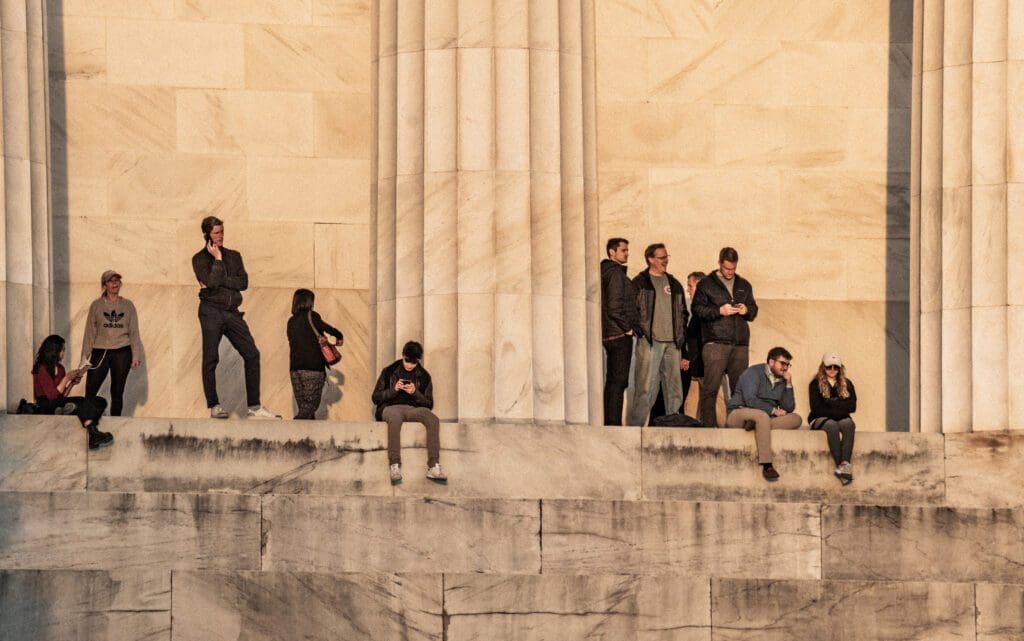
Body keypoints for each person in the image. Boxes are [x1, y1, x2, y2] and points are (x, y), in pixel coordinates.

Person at [191, 215, 279, 419]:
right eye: (216, 232)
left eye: (222, 231)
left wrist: (222, 277)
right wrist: (218, 262)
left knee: (252, 353)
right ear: (207, 234)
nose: (220, 236)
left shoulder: (234, 255)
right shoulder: (199, 259)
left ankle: (254, 407)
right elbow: (211, 283)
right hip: (210, 311)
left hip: (232, 312)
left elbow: (244, 282)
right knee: (211, 358)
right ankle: (214, 405)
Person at [693, 247, 758, 427]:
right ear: (719, 263)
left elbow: (754, 310)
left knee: (741, 388)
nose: (730, 272)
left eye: (733, 268)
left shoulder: (744, 284)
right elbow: (697, 309)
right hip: (715, 343)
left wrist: (747, 310)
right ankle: (709, 427)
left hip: (740, 344)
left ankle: (739, 425)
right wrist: (719, 311)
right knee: (711, 389)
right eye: (727, 268)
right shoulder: (706, 284)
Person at [626, 243, 688, 426]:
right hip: (650, 343)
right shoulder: (639, 282)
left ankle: (673, 426)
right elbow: (631, 310)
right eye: (661, 257)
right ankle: (635, 429)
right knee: (645, 388)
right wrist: (641, 331)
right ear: (651, 259)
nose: (665, 260)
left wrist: (680, 338)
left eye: (667, 256)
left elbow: (684, 312)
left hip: (672, 344)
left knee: (674, 390)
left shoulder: (674, 284)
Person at [371, 341, 447, 485]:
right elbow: (375, 398)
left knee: (433, 419)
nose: (409, 365)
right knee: (394, 417)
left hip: (412, 409)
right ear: (403, 356)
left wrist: (415, 393)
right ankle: (394, 465)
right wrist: (393, 390)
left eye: (413, 363)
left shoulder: (424, 376)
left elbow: (429, 404)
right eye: (407, 361)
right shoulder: (389, 371)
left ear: (418, 361)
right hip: (390, 407)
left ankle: (433, 466)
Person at [725, 347, 802, 481]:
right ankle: (767, 465)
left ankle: (759, 425)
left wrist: (789, 384)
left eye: (787, 364)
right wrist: (773, 411)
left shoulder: (782, 379)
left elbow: (788, 408)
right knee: (762, 416)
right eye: (782, 363)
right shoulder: (753, 373)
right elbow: (750, 400)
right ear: (771, 362)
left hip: (764, 416)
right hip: (739, 412)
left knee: (796, 419)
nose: (785, 368)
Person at [33, 334, 113, 450]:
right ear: (54, 350)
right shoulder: (41, 368)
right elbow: (52, 395)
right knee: (81, 402)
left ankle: (66, 410)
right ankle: (93, 434)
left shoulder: (60, 368)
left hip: (59, 402)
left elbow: (63, 395)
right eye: (62, 350)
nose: (63, 353)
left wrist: (72, 384)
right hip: (46, 404)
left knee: (99, 401)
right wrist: (66, 378)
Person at [80, 270, 143, 416]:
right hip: (100, 350)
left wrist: (135, 356)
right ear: (104, 285)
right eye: (110, 281)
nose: (114, 283)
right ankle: (88, 423)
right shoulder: (96, 305)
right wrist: (84, 357)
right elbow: (89, 333)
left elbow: (134, 332)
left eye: (117, 280)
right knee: (90, 390)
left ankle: (116, 424)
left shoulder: (128, 305)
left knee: (117, 391)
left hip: (122, 351)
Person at [650, 270, 705, 420]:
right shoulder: (697, 310)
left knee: (675, 395)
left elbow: (700, 340)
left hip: (693, 366)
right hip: (687, 362)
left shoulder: (704, 312)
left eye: (690, 286)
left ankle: (665, 420)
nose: (688, 290)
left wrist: (688, 358)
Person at [286, 288, 344, 420]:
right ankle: (292, 430)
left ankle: (306, 438)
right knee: (309, 407)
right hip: (313, 367)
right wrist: (339, 336)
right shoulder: (312, 316)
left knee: (305, 407)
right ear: (309, 302)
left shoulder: (291, 321)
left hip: (295, 369)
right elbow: (329, 329)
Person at [601, 237, 640, 426]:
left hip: (610, 333)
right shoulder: (615, 273)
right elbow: (614, 306)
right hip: (618, 334)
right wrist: (628, 329)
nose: (627, 254)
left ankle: (611, 421)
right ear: (612, 252)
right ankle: (613, 423)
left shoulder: (605, 272)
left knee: (613, 382)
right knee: (618, 382)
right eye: (623, 250)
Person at [808, 352, 857, 484]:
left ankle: (845, 465)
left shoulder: (847, 384)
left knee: (849, 425)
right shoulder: (815, 384)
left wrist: (830, 403)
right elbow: (817, 408)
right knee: (832, 426)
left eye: (836, 367)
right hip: (818, 418)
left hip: (840, 418)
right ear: (823, 367)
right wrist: (840, 406)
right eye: (829, 367)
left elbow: (852, 406)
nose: (832, 370)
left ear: (840, 368)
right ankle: (841, 466)